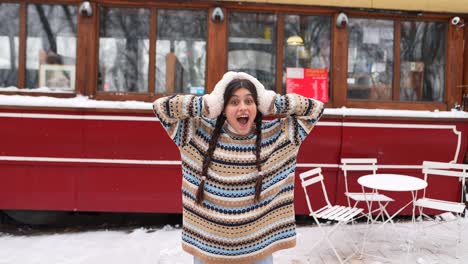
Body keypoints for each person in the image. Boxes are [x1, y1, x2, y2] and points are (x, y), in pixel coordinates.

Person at [153, 72, 324, 264]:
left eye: (249, 101)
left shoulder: (278, 135)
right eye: (234, 102)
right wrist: (208, 103)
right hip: (208, 252)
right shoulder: (197, 134)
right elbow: (161, 108)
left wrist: (272, 101)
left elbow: (315, 109)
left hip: (258, 252)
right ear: (223, 108)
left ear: (257, 107)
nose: (243, 107)